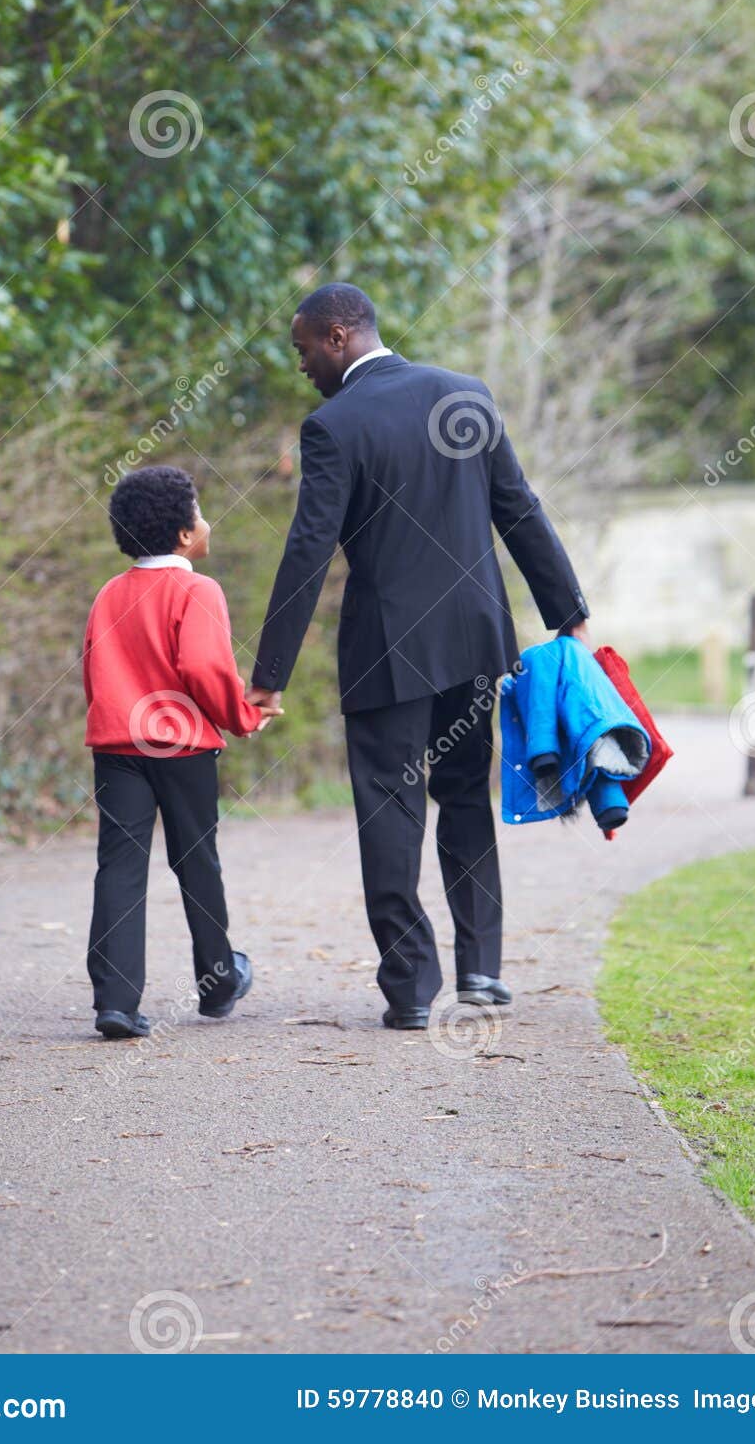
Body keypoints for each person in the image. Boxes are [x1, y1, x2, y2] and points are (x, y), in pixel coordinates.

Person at [248, 283, 590, 1029]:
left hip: (387, 648)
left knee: (390, 807)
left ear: (337, 337)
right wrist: (567, 612)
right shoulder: (463, 394)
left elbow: (308, 550)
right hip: (473, 638)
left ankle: (409, 990)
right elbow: (518, 507)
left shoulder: (333, 426)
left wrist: (269, 674)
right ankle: (481, 970)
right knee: (464, 795)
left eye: (303, 348)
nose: (301, 365)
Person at [83, 464, 278, 1039]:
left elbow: (94, 669)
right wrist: (243, 716)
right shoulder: (198, 590)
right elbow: (202, 666)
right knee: (197, 861)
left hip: (117, 745)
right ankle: (217, 983)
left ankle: (116, 1001)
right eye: (200, 512)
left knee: (119, 865)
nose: (206, 521)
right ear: (186, 533)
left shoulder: (108, 593)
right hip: (182, 746)